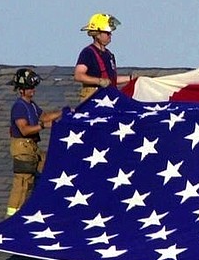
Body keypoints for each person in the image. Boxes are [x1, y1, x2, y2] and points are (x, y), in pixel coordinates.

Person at [7, 68, 62, 217]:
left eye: (33, 87)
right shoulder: (19, 106)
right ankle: (11, 219)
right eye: (29, 87)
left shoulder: (31, 105)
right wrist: (43, 126)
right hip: (23, 149)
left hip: (32, 148)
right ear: (21, 90)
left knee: (45, 172)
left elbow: (44, 116)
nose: (33, 90)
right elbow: (24, 129)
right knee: (23, 184)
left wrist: (64, 112)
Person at [74, 13, 133, 101]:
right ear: (97, 34)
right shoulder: (88, 52)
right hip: (93, 97)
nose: (110, 35)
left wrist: (132, 78)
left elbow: (111, 80)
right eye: (107, 33)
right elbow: (78, 75)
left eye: (110, 33)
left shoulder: (109, 55)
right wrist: (99, 81)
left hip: (108, 97)